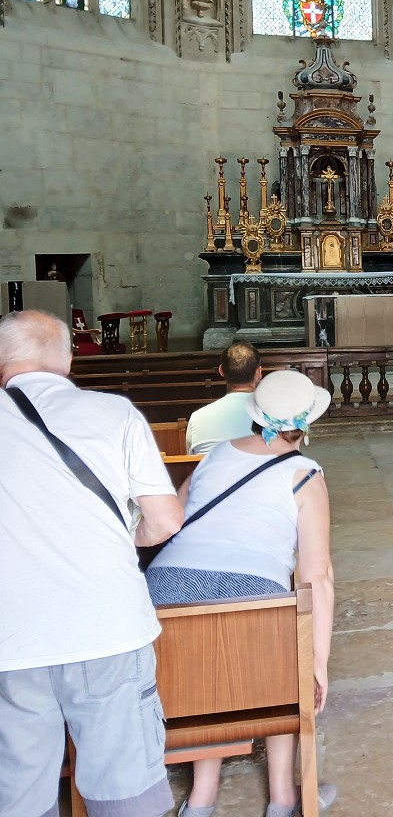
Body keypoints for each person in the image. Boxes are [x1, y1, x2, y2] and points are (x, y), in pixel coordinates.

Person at [0, 310, 183, 817]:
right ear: (68, 358)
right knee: (125, 791)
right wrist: (122, 538)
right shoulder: (115, 413)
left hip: (10, 635)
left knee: (18, 791)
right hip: (107, 625)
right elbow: (166, 521)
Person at [146, 369, 336, 817]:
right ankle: (283, 799)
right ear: (307, 424)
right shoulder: (305, 475)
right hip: (252, 595)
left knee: (200, 674)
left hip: (164, 592)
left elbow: (175, 518)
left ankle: (202, 798)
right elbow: (317, 575)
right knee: (281, 669)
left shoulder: (215, 456)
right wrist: (317, 661)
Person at [186, 340, 262, 455]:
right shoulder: (277, 417)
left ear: (221, 370)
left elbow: (191, 462)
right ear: (258, 372)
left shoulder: (197, 418)